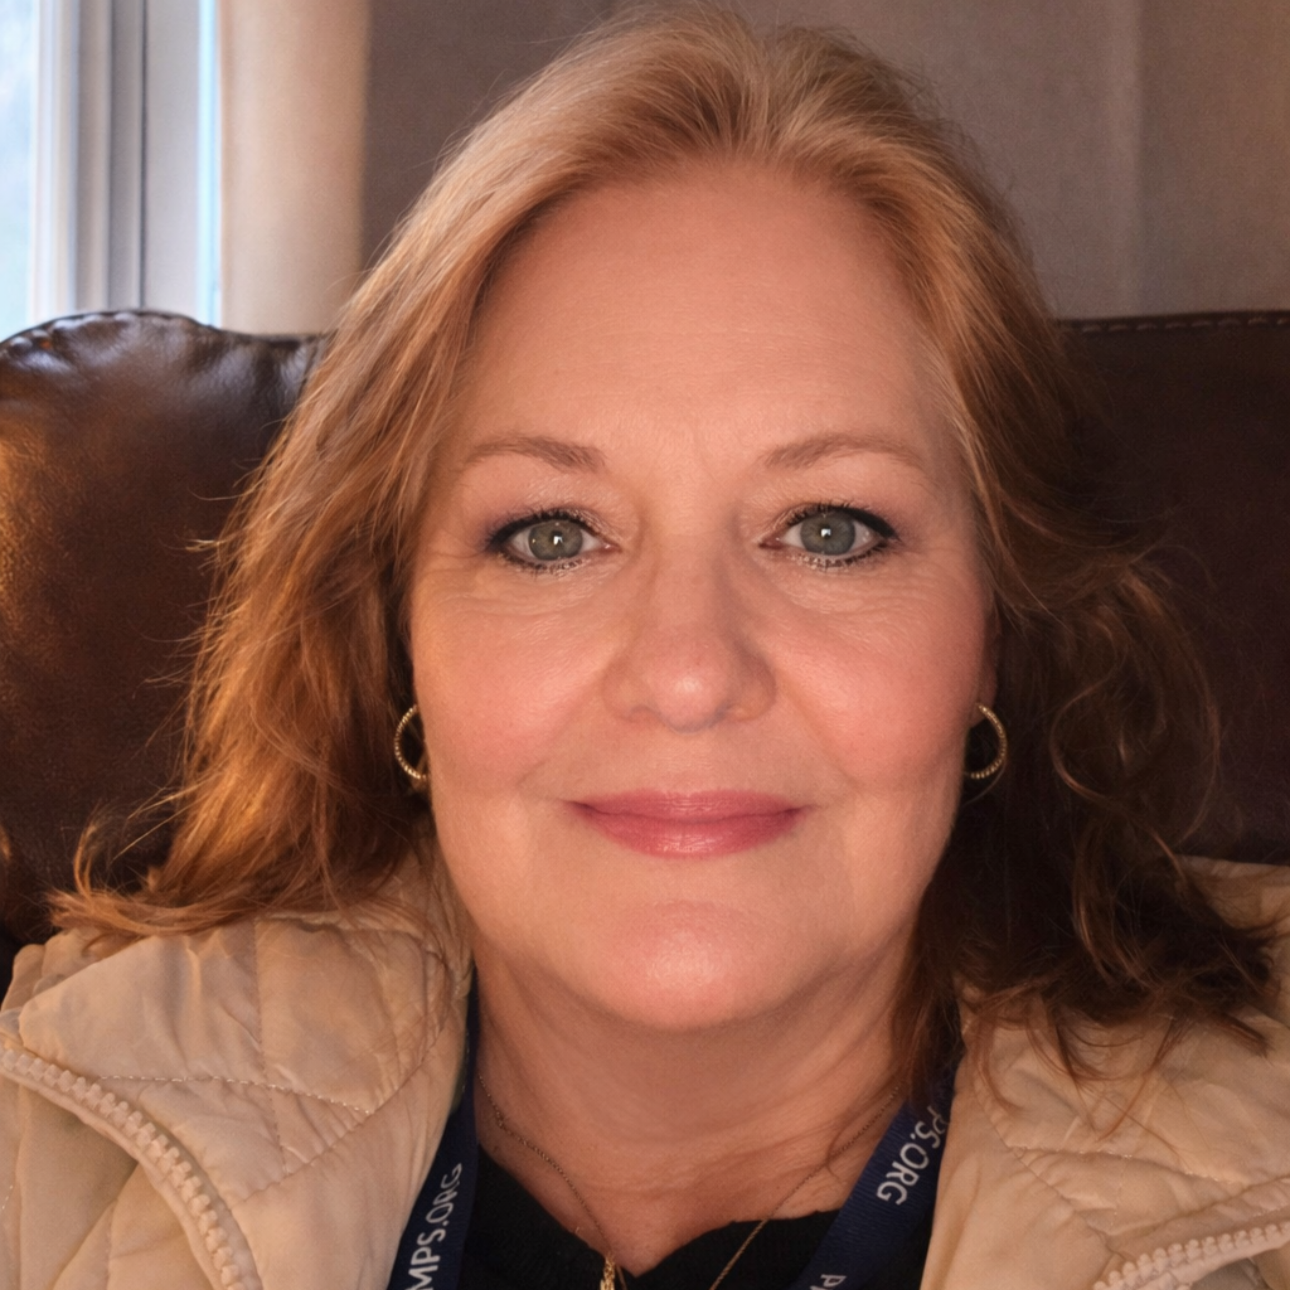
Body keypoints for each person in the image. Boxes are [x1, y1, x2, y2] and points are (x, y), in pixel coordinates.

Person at [3, 8, 1289, 1290]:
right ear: (395, 635)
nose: (687, 673)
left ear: (993, 631)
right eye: (553, 536)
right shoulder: (36, 1162)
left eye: (829, 530)